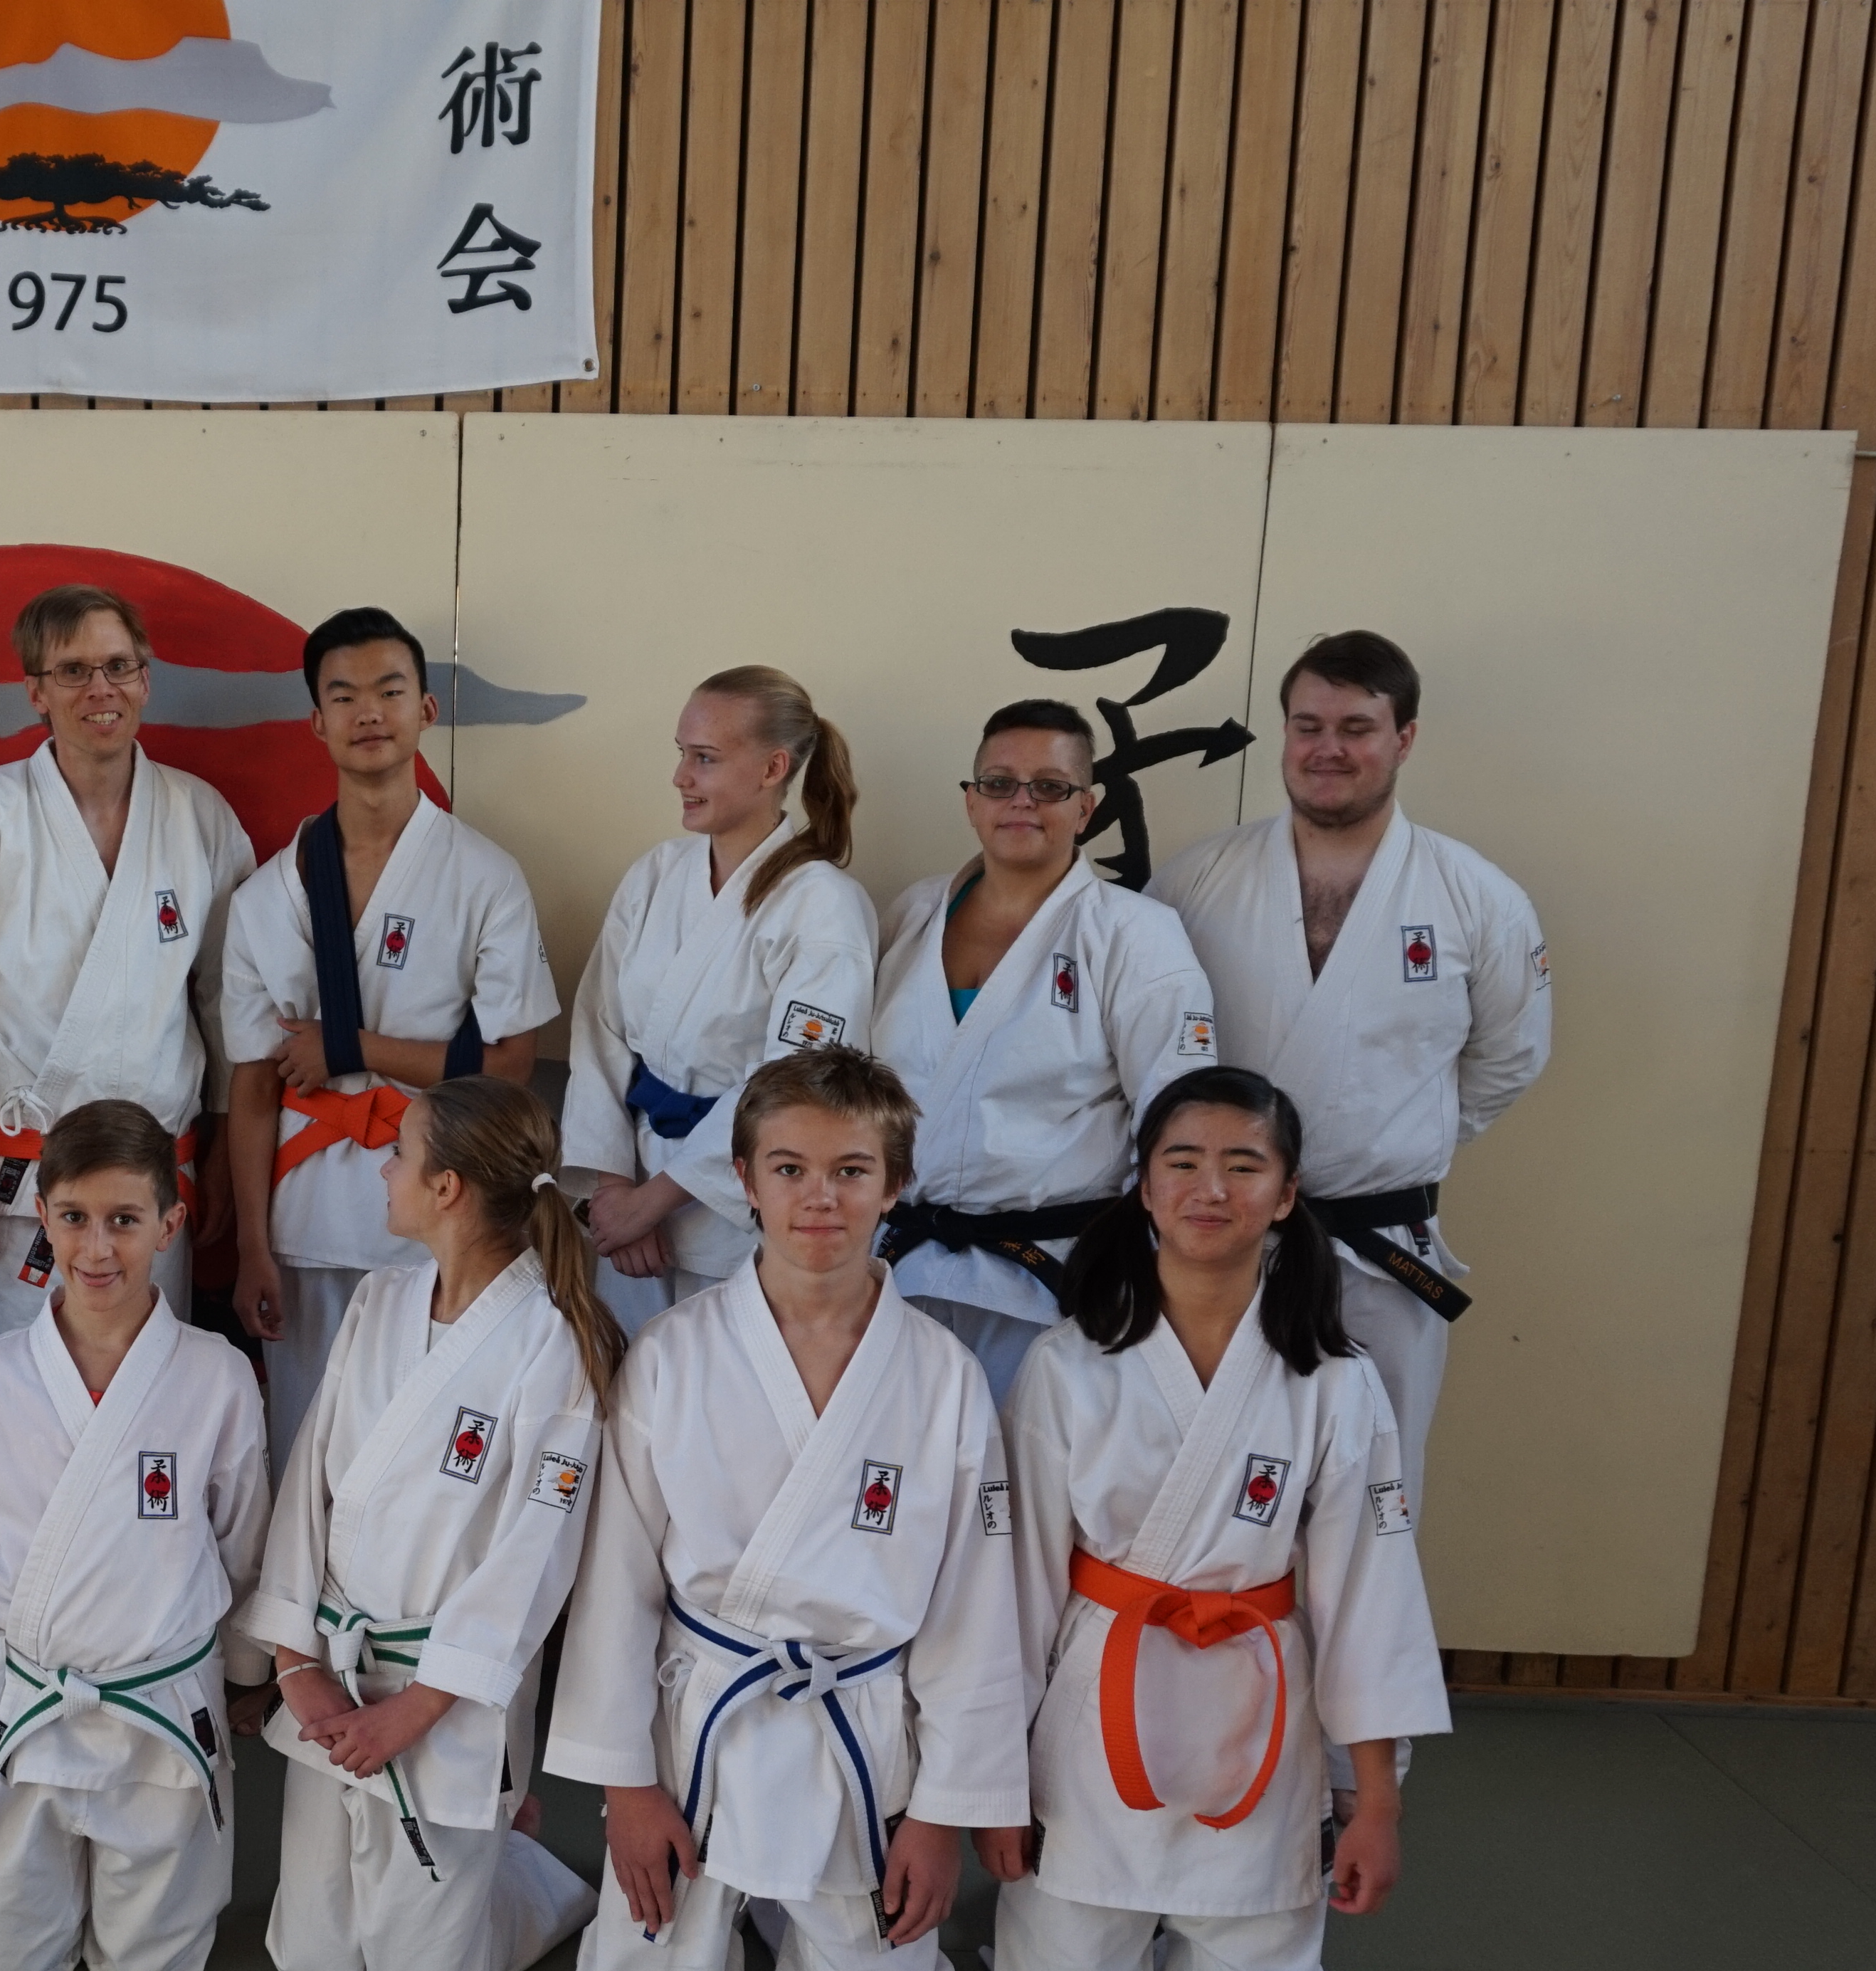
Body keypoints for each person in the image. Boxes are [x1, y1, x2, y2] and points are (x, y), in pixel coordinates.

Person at [546, 1048, 1035, 1971]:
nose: (820, 1198)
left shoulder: (942, 1379)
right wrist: (626, 1788)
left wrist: (941, 1814)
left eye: (852, 1171)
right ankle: (716, 1896)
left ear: (894, 1185)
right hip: (701, 1724)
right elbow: (616, 1590)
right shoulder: (672, 1353)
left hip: (857, 1732)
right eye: (789, 1169)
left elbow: (975, 1615)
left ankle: (792, 1902)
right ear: (745, 1180)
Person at [988, 1067, 1447, 1971]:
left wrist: (1375, 1802)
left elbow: (1371, 1600)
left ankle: (1219, 1943)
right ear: (1144, 1188)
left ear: (1285, 1195)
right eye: (1183, 1162)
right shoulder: (1068, 1364)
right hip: (1101, 1704)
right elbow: (1015, 1590)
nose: (1211, 1188)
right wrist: (992, 1780)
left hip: (1258, 1708)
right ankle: (1087, 1940)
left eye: (1244, 1165)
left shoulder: (1335, 1380)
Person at [1149, 631, 1551, 1495]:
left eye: (1355, 728)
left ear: (1403, 737)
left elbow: (1507, 1056)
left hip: (1377, 1251)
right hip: (1217, 1244)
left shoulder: (1475, 897)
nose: (1326, 748)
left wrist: (1386, 1134)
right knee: (1201, 1486)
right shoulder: (1195, 881)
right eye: (1307, 726)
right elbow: (1141, 1051)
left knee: (1372, 1493)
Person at [242, 1076, 608, 1971]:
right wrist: (294, 1664)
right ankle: (489, 1845)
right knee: (310, 1958)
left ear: (447, 1188)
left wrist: (419, 1707)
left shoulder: (552, 1343)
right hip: (336, 1675)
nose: (383, 1169)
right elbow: (308, 1484)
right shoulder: (378, 1301)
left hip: (447, 1696)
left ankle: (530, 1875)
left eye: (399, 1153)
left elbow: (536, 1555)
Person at [0, 1100, 271, 1971]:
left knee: (151, 1966)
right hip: (32, 1706)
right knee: (2, 1966)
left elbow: (242, 1539)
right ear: (40, 1216)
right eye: (75, 1217)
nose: (96, 1247)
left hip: (158, 1708)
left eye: (124, 1219)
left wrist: (245, 1670)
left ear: (170, 1222)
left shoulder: (215, 1375)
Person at [223, 607, 554, 1468]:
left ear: (425, 710)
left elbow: (510, 1065)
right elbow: (252, 1088)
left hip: (443, 1210)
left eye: (388, 690)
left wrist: (352, 1049)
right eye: (343, 696)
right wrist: (251, 1247)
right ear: (316, 721)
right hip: (305, 1216)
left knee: (425, 1456)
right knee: (303, 1450)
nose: (367, 711)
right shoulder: (265, 898)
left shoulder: (484, 877)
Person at [0, 583, 248, 1337]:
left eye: (118, 666)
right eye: (73, 671)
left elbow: (229, 1002)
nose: (101, 688)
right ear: (36, 691)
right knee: (2, 1384)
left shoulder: (199, 816)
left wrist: (223, 1155)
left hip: (150, 1187)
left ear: (144, 679)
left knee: (143, 1386)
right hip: (13, 1180)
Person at [867, 699, 1220, 1402]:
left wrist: (1152, 1277)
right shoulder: (912, 914)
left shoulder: (1136, 935)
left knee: (1033, 1471)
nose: (1021, 801)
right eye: (998, 783)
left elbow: (1179, 1127)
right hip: (895, 1271)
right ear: (971, 802)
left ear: (1085, 808)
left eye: (1049, 787)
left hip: (1049, 1284)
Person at [558, 667, 881, 1325]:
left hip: (738, 1213)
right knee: (626, 1377)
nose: (681, 776)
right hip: (631, 1195)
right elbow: (599, 1030)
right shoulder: (655, 875)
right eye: (682, 753)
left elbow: (795, 1081)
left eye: (704, 758)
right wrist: (616, 1189)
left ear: (772, 768)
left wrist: (657, 1201)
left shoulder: (824, 906)